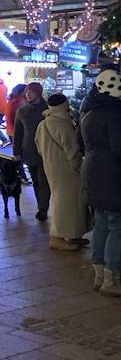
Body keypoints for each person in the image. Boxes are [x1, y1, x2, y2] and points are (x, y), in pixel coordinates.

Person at [78, 69, 121, 296]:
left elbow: (80, 143)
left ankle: (100, 275)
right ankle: (113, 280)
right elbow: (118, 147)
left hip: (93, 173)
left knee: (102, 223)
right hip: (112, 175)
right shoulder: (113, 113)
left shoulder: (88, 111)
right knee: (117, 225)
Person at [35, 93, 87, 251]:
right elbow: (72, 149)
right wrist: (80, 167)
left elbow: (38, 146)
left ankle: (72, 234)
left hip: (51, 166)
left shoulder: (43, 123)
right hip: (66, 169)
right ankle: (56, 238)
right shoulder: (62, 123)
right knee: (66, 202)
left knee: (66, 201)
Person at [14, 82, 51, 221]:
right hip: (29, 150)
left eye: (32, 92)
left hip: (45, 150)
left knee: (43, 180)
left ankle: (43, 208)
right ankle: (41, 206)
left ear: (38, 93)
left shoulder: (47, 110)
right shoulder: (23, 111)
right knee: (36, 180)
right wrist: (16, 152)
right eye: (27, 91)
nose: (28, 94)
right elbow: (18, 133)